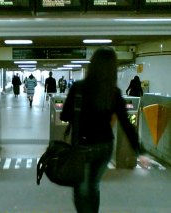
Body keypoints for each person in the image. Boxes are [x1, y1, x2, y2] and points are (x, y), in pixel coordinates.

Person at [60, 47, 149, 213]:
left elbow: (64, 115)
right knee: (94, 185)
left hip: (83, 147)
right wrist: (140, 151)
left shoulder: (78, 88)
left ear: (93, 65)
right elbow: (126, 124)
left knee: (82, 189)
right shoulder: (114, 92)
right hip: (105, 147)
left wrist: (77, 114)